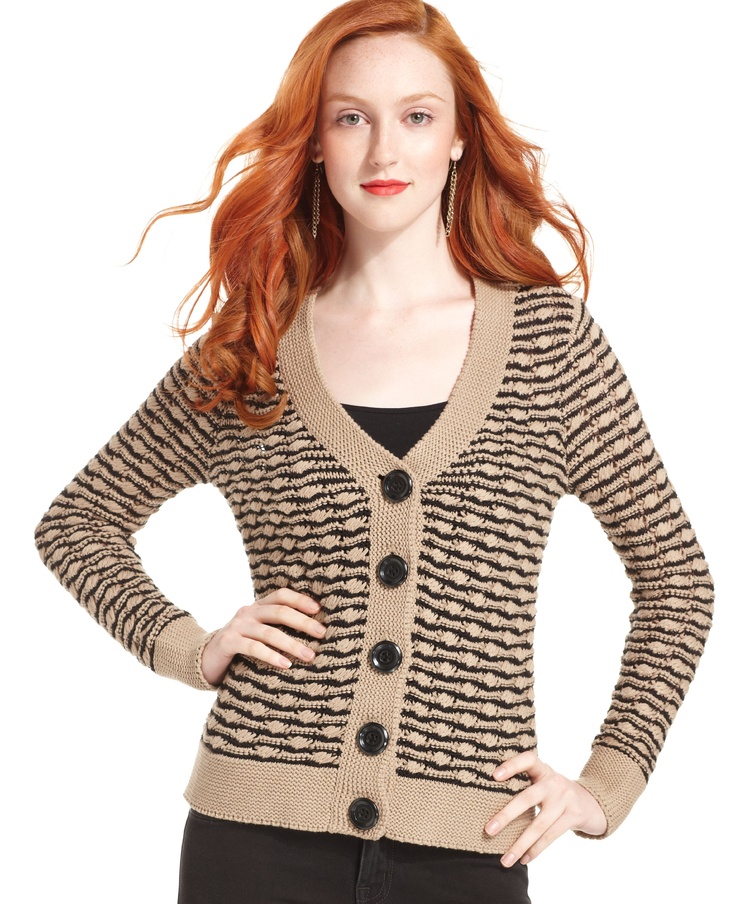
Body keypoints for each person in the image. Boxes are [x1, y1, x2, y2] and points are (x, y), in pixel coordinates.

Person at [34, 1, 714, 902]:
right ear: (316, 142)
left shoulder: (549, 346)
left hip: (474, 844)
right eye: (351, 118)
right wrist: (191, 646)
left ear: (460, 137)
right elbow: (77, 522)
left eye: (417, 117)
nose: (385, 151)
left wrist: (606, 784)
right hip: (253, 839)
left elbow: (678, 580)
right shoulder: (256, 344)